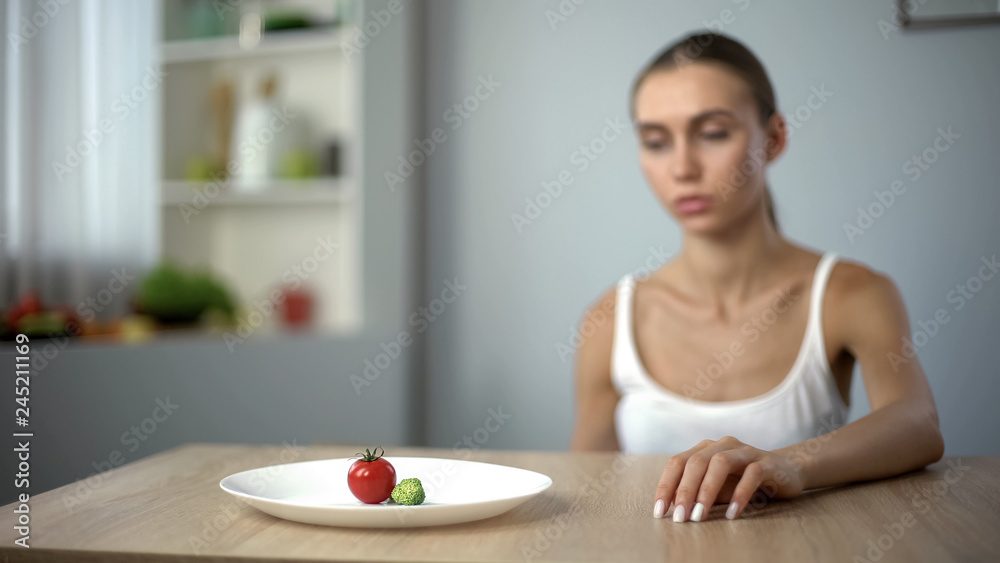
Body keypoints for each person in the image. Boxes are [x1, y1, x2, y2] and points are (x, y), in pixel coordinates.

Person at [568, 31, 944, 524]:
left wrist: (790, 461)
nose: (682, 167)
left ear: (774, 138)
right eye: (656, 141)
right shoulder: (611, 318)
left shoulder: (850, 293)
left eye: (713, 133)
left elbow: (917, 423)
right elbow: (585, 486)